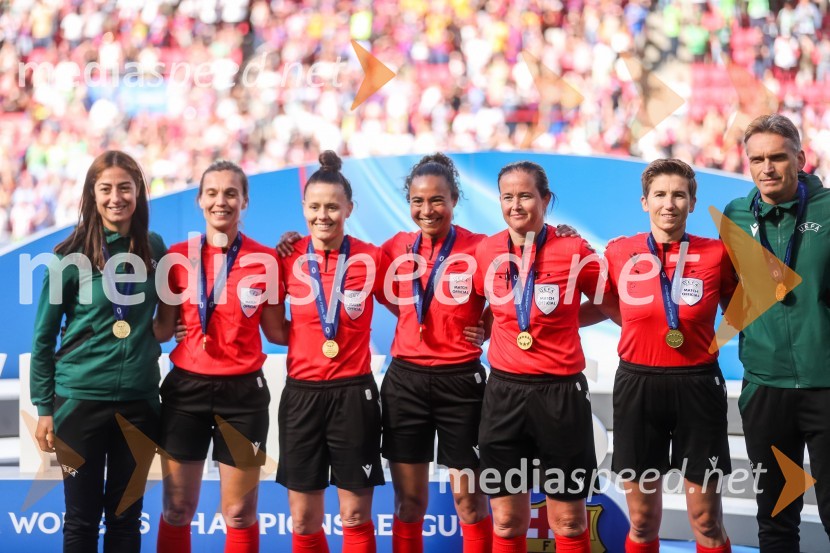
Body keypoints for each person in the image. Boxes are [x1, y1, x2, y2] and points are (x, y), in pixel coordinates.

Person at [473, 161, 616, 553]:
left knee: (569, 521)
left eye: (525, 195)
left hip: (561, 395)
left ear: (545, 199)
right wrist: (478, 328)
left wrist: (568, 319)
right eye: (507, 196)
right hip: (503, 396)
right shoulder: (486, 251)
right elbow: (476, 308)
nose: (515, 204)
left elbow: (608, 305)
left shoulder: (573, 249)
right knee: (506, 520)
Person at [30, 150, 166, 552]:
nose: (115, 197)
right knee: (81, 521)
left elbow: (164, 317)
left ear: (138, 192)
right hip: (77, 406)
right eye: (105, 188)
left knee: (126, 521)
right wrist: (44, 408)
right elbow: (42, 337)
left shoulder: (154, 247)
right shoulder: (67, 255)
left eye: (125, 187)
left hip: (139, 406)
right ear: (92, 193)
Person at [601, 159, 735, 553]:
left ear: (693, 203)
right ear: (645, 201)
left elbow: (743, 308)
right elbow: (603, 304)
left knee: (707, 520)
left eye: (679, 195)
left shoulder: (717, 254)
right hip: (638, 385)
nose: (669, 203)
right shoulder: (618, 251)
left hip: (698, 385)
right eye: (660, 194)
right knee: (642, 521)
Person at [153, 160, 287, 553]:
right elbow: (161, 329)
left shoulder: (266, 261)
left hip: (244, 397)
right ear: (199, 200)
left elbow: (277, 331)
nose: (221, 201)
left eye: (231, 193)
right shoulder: (176, 259)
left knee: (240, 513)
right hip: (185, 393)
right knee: (177, 509)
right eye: (212, 193)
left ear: (245, 201)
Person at [723, 113, 830, 551]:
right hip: (767, 389)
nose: (767, 168)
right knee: (776, 513)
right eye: (757, 159)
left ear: (800, 159)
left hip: (825, 385)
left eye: (778, 158)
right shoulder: (735, 215)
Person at [378, 153, 492, 553]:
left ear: (455, 199)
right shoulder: (393, 248)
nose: (427, 210)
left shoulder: (480, 248)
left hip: (462, 384)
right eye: (417, 201)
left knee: (470, 502)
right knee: (409, 504)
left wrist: (488, 324)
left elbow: (515, 291)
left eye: (437, 200)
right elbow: (364, 278)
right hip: (405, 383)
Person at [275, 150, 386, 553]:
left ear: (349, 208)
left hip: (354, 395)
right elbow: (273, 327)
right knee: (304, 520)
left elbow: (413, 306)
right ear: (303, 208)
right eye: (315, 207)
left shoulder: (372, 258)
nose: (324, 215)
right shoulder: (284, 259)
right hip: (302, 395)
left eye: (333, 207)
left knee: (355, 517)